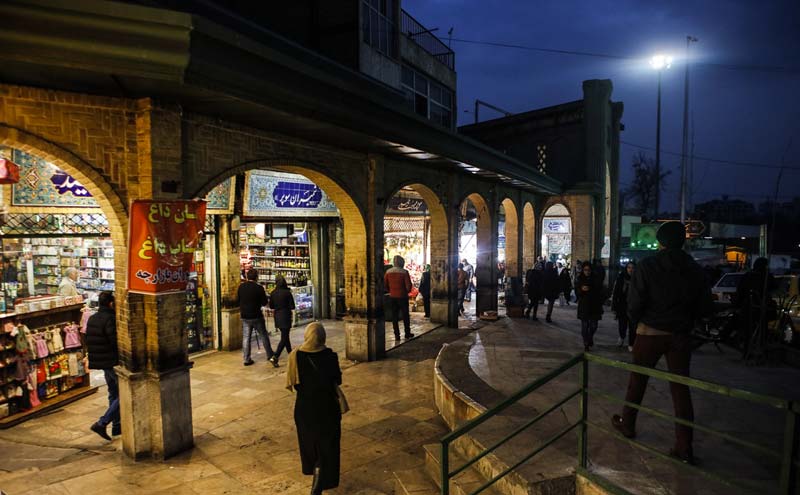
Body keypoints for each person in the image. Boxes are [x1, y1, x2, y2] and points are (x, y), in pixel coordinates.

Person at [611, 221, 713, 465]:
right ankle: (684, 445)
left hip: (650, 332)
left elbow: (634, 302)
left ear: (660, 242)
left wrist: (636, 323)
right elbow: (705, 306)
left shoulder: (647, 266)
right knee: (680, 389)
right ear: (683, 241)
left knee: (638, 381)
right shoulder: (694, 269)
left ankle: (628, 424)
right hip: (680, 335)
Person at [286, 322, 342, 495]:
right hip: (327, 407)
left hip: (304, 409)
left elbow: (294, 384)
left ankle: (316, 470)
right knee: (328, 444)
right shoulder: (330, 355)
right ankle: (320, 477)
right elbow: (337, 380)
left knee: (310, 444)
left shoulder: (295, 356)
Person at [86, 291, 120, 440]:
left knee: (113, 394)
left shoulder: (92, 318)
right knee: (124, 394)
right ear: (111, 304)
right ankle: (103, 422)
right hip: (112, 361)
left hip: (103, 363)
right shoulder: (110, 319)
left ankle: (117, 427)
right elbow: (114, 341)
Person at [237, 269, 273, 366]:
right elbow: (264, 302)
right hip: (256, 316)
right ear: (256, 277)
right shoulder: (259, 288)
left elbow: (238, 300)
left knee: (246, 338)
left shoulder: (241, 287)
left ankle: (246, 359)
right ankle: (270, 355)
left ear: (247, 277)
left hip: (245, 316)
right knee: (264, 336)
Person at [384, 255, 413, 340]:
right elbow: (408, 286)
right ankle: (407, 333)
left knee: (394, 316)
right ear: (401, 262)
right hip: (403, 297)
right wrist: (405, 291)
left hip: (393, 297)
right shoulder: (404, 272)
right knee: (405, 316)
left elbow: (385, 285)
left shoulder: (388, 272)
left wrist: (391, 291)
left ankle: (397, 335)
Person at [269, 275, 295, 367]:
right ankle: (275, 357)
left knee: (285, 336)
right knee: (284, 338)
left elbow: (271, 306)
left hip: (277, 316)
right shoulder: (287, 293)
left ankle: (291, 355)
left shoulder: (273, 293)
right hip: (286, 316)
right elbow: (292, 306)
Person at [576, 262, 603, 349]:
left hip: (595, 305)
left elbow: (600, 290)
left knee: (594, 325)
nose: (587, 272)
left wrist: (591, 289)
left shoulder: (596, 278)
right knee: (585, 325)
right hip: (584, 305)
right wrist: (581, 290)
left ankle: (590, 337)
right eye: (585, 270)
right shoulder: (580, 279)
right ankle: (586, 342)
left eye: (589, 270)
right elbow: (577, 292)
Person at [612, 262, 636, 350]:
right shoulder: (621, 278)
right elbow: (616, 292)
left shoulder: (637, 278)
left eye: (632, 267)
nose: (630, 269)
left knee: (633, 326)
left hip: (633, 306)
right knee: (622, 324)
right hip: (622, 305)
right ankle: (621, 337)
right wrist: (614, 306)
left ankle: (631, 343)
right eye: (629, 267)